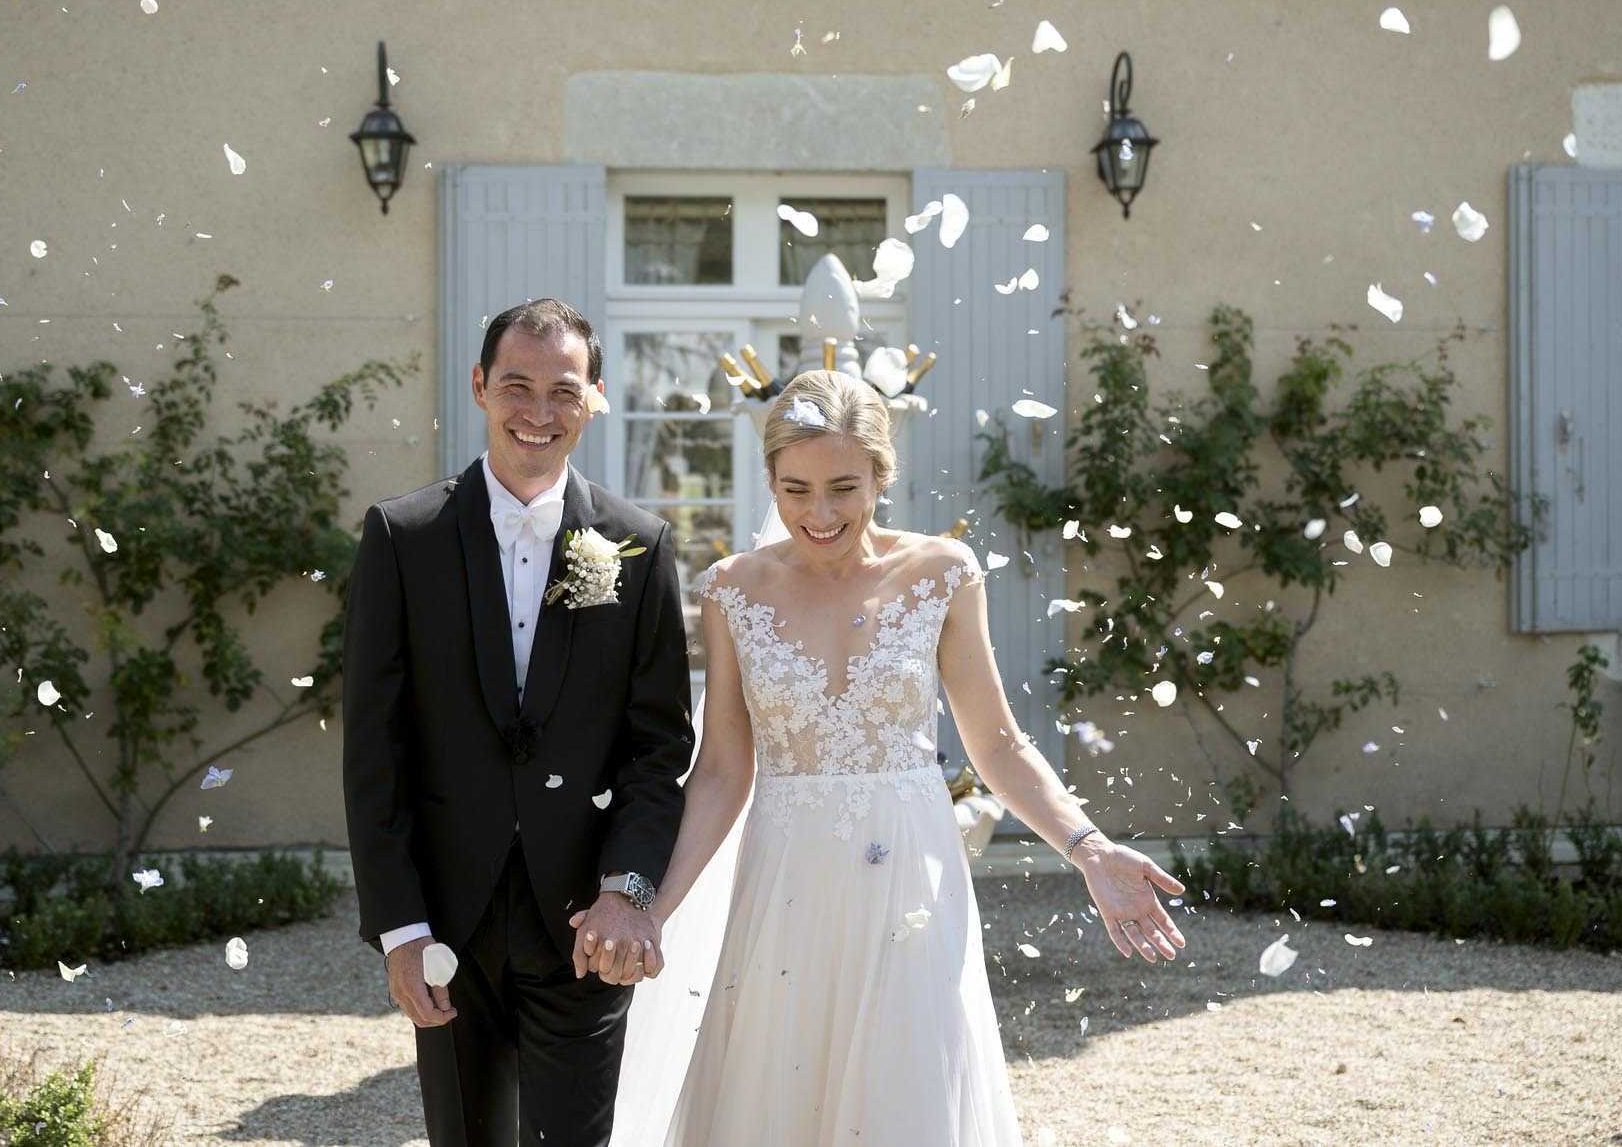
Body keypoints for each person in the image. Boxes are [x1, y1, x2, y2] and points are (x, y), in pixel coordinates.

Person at [605, 369, 1187, 1145]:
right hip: (784, 875)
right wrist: (654, 910)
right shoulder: (732, 591)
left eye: (844, 487)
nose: (819, 513)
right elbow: (720, 772)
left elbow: (1000, 745)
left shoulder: (939, 575)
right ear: (770, 479)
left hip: (911, 874)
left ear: (882, 475)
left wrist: (1088, 849)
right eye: (796, 489)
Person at [340, 298, 695, 1147]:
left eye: (564, 391)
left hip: (583, 924)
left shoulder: (639, 545)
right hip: (445, 927)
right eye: (517, 386)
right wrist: (399, 928)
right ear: (479, 386)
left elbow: (659, 750)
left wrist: (627, 890)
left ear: (595, 398)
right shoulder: (403, 535)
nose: (539, 413)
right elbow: (373, 751)